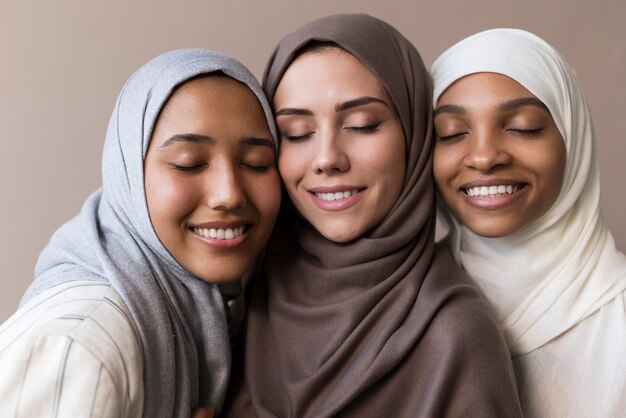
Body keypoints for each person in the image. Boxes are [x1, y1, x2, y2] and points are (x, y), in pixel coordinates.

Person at [224, 14, 522, 417]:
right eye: (296, 133)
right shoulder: (242, 289)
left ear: (414, 136)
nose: (327, 158)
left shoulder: (456, 335)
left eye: (362, 125)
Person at [0, 48, 280, 417]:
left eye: (256, 163)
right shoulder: (79, 347)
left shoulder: (225, 311)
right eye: (189, 164)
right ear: (128, 176)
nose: (229, 193)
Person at [431, 28, 626, 417]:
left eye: (523, 128)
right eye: (451, 133)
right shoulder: (405, 298)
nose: (484, 157)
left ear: (573, 140)